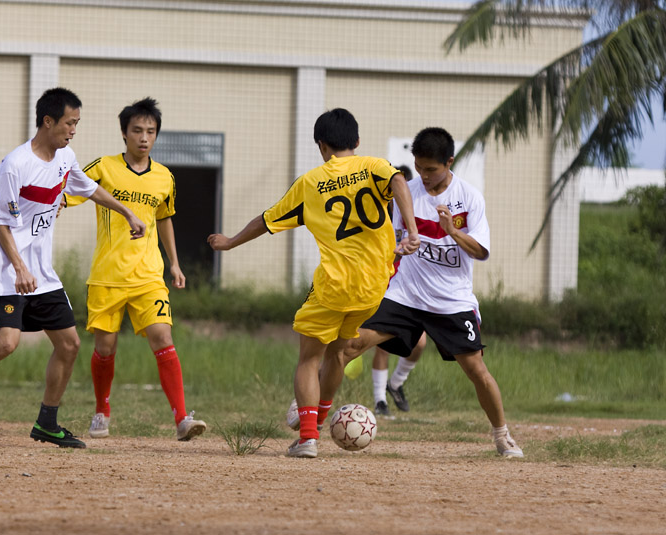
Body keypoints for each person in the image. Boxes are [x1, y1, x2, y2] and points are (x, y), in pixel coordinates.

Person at [0, 88, 147, 448]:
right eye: (69, 123)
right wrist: (19, 267)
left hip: (41, 271)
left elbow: (89, 189)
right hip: (9, 267)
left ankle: (47, 422)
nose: (73, 130)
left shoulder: (66, 158)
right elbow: (1, 224)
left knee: (69, 344)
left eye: (77, 123)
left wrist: (127, 212)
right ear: (48, 121)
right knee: (7, 343)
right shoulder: (16, 165)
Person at [208, 108, 419, 458]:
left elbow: (267, 220)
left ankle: (307, 438)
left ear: (321, 145)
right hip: (373, 288)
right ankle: (317, 423)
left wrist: (230, 242)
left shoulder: (309, 183)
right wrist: (411, 230)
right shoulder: (374, 166)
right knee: (337, 353)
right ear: (357, 141)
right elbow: (398, 181)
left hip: (334, 286)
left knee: (309, 358)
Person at [343, 127, 523, 457]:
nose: (424, 176)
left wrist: (452, 230)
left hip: (451, 301)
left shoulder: (469, 197)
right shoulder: (406, 194)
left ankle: (502, 436)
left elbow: (481, 251)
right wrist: (399, 249)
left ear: (449, 162)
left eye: (431, 169)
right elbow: (394, 241)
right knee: (351, 344)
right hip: (406, 294)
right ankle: (308, 413)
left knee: (477, 371)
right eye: (419, 167)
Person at [63, 97, 206, 441]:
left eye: (151, 131)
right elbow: (68, 188)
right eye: (138, 130)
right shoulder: (104, 167)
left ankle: (182, 418)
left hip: (148, 275)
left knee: (163, 337)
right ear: (124, 133)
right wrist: (49, 207)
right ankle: (101, 411)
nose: (144, 137)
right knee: (105, 348)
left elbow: (165, 218)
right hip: (107, 276)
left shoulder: (164, 177)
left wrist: (174, 263)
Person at [371, 164, 426, 417]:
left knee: (420, 343)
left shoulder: (415, 216)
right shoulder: (379, 212)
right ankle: (380, 401)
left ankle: (395, 383)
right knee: (383, 342)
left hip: (408, 285)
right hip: (382, 282)